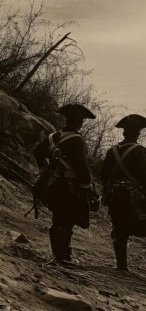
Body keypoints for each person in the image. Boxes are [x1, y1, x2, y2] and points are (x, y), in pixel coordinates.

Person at [101, 114, 146, 281]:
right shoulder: (140, 152)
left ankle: (122, 266)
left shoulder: (111, 151)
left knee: (120, 229)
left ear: (124, 133)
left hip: (114, 197)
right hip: (133, 200)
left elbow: (103, 175)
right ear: (138, 134)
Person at [32, 104, 97, 265]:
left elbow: (37, 152)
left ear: (67, 119)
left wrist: (44, 170)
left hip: (52, 185)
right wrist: (86, 187)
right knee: (67, 221)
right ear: (80, 122)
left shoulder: (53, 137)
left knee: (57, 219)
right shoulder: (77, 140)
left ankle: (62, 255)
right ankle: (60, 258)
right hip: (69, 188)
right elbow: (82, 167)